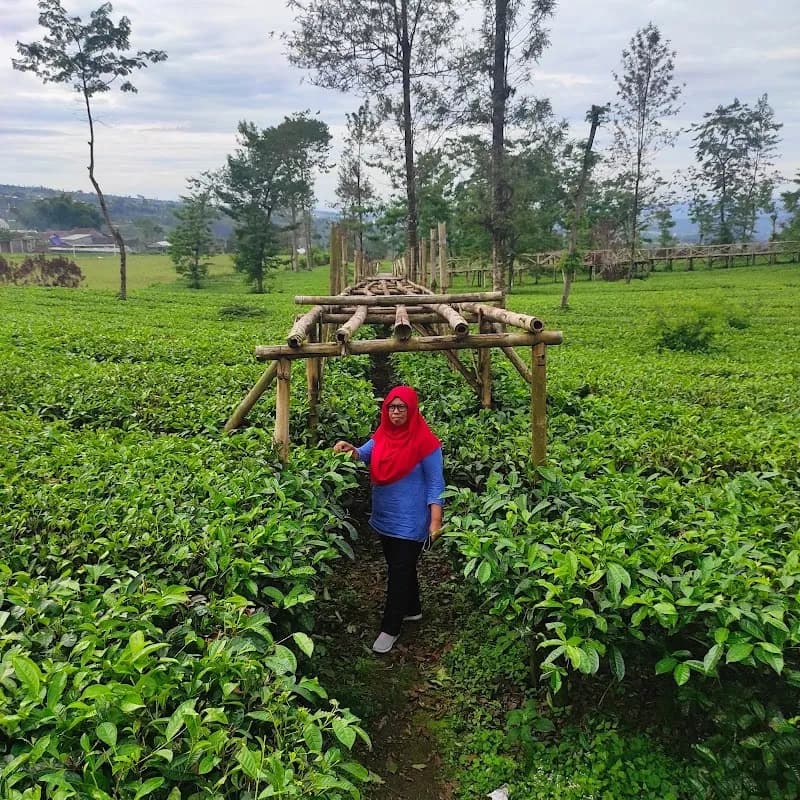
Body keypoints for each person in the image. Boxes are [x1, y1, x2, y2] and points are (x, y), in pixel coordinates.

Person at [334, 386, 445, 654]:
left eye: (401, 407)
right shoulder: (382, 434)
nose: (396, 412)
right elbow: (363, 454)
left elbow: (435, 483)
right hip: (385, 517)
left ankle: (390, 627)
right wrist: (349, 449)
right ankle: (413, 609)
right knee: (401, 567)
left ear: (411, 409)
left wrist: (435, 521)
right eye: (391, 408)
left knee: (398, 571)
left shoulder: (426, 443)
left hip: (411, 520)